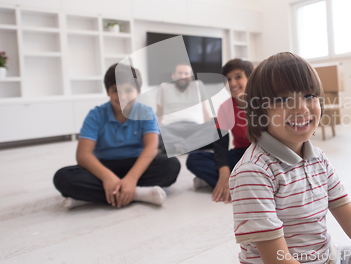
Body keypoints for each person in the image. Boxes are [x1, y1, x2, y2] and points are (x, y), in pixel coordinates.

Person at [229, 52, 351, 264]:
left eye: (309, 96)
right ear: (259, 111)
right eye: (283, 99)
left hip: (328, 258)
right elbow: (277, 259)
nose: (302, 109)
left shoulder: (318, 159)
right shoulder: (253, 172)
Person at [53, 63, 181, 209]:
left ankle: (94, 196)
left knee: (171, 165)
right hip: (104, 167)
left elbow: (151, 148)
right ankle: (138, 193)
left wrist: (131, 178)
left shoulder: (145, 112)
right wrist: (108, 177)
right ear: (107, 92)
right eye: (115, 90)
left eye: (128, 90)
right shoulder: (95, 115)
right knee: (62, 178)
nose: (122, 96)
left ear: (138, 91)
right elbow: (83, 155)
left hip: (136, 164)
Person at [186, 59, 254, 203]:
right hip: (240, 156)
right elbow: (220, 145)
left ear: (250, 78)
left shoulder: (264, 103)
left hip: (263, 154)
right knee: (194, 159)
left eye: (238, 77)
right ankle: (238, 183)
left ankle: (220, 182)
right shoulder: (225, 107)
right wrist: (224, 172)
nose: (233, 83)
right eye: (228, 79)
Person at [156, 63, 214, 155]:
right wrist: (155, 129)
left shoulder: (198, 86)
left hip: (195, 128)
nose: (183, 76)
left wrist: (210, 126)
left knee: (216, 126)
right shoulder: (164, 87)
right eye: (179, 73)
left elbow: (204, 109)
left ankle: (176, 148)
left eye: (186, 73)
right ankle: (191, 144)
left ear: (191, 77)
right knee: (155, 132)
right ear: (173, 76)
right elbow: (159, 113)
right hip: (169, 129)